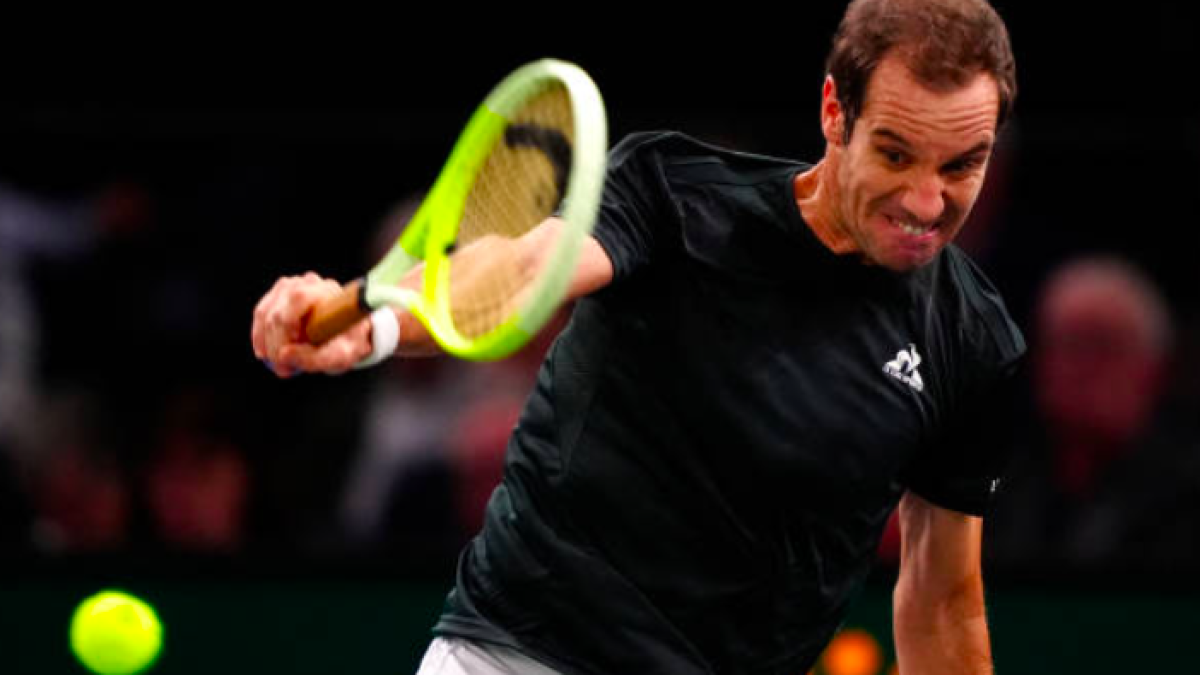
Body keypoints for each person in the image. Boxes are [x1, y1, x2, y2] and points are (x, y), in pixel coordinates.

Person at [251, 0, 1023, 672]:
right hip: (521, 655)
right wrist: (380, 322)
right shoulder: (676, 196)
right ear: (834, 112)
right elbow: (524, 266)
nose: (928, 200)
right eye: (895, 154)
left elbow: (941, 602)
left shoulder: (973, 343)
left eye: (963, 164)